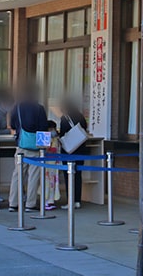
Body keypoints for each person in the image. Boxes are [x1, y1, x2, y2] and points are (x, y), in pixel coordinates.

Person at [8, 83, 49, 213]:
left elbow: (13, 125)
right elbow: (43, 128)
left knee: (18, 174)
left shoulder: (18, 107)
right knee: (33, 175)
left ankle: (13, 203)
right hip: (35, 147)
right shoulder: (40, 109)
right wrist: (44, 147)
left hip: (21, 145)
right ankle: (30, 204)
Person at [58, 97, 88, 210]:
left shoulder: (64, 118)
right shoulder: (80, 116)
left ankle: (70, 201)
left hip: (69, 151)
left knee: (68, 176)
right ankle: (77, 201)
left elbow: (62, 135)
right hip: (81, 149)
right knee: (78, 175)